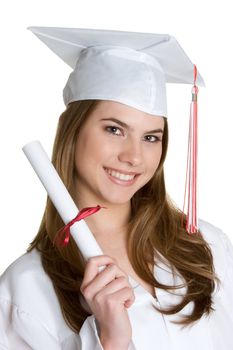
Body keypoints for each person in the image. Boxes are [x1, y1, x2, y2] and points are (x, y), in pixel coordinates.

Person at [0, 27, 233, 350]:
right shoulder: (25, 289)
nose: (134, 157)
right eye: (114, 129)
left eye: (151, 137)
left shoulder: (206, 247)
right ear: (72, 130)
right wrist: (110, 340)